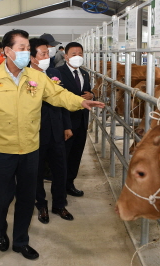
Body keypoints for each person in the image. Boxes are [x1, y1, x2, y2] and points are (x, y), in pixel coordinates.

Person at [0, 29, 104, 260]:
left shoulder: (35, 78)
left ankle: (21, 241)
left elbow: (58, 95)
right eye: (21, 48)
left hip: (30, 149)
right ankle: (1, 230)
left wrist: (81, 102)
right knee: (1, 197)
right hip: (2, 150)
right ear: (7, 51)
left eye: (26, 48)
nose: (25, 52)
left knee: (26, 197)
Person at [29, 38, 74, 224]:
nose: (48, 57)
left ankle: (59, 204)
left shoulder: (54, 73)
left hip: (56, 129)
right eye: (44, 53)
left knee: (60, 168)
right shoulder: (25, 76)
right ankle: (41, 204)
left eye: (48, 53)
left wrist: (67, 125)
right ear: (32, 57)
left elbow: (62, 100)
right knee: (37, 171)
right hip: (36, 131)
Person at [56, 42, 94, 197]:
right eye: (73, 54)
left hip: (82, 121)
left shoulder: (84, 74)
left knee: (76, 155)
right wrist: (65, 125)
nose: (77, 57)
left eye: (80, 54)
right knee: (62, 156)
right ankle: (59, 186)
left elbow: (88, 92)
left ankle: (69, 183)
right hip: (67, 123)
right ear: (66, 56)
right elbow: (58, 100)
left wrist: (92, 95)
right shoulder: (57, 73)